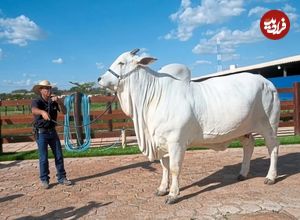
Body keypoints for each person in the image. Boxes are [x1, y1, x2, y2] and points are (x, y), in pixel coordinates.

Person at [31, 80, 72, 189]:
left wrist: (60, 102)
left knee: (59, 155)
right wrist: (42, 112)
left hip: (52, 132)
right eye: (46, 88)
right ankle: (44, 179)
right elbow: (34, 110)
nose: (49, 90)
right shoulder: (37, 101)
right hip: (41, 133)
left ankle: (62, 177)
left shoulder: (54, 101)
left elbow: (65, 111)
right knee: (43, 157)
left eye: (50, 88)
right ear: (41, 90)